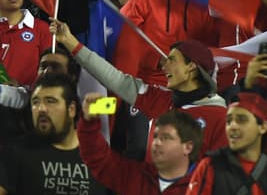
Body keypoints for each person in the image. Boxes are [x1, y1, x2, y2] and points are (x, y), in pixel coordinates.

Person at [52, 20, 230, 152]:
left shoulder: (220, 117)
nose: (164, 66)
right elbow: (116, 79)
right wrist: (70, 42)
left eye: (172, 60)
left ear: (191, 67)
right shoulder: (160, 100)